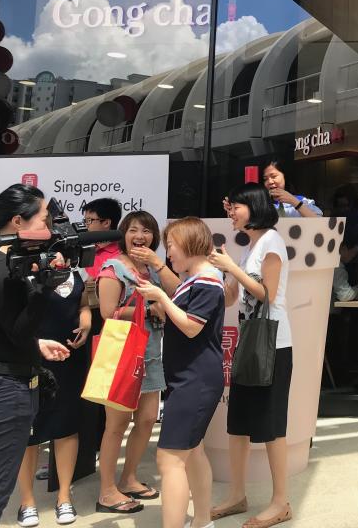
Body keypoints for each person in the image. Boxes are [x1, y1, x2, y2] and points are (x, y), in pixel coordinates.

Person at [0, 184, 71, 528]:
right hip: (0, 391)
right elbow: (19, 329)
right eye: (44, 218)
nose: (50, 225)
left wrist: (36, 345)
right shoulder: (1, 268)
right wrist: (44, 289)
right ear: (17, 221)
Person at [209, 183, 294, 527]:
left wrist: (233, 265)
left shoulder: (271, 242)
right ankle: (237, 495)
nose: (232, 213)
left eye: (237, 208)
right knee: (239, 423)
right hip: (252, 343)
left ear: (254, 207)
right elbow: (232, 299)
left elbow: (268, 295)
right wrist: (227, 269)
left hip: (273, 343)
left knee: (272, 426)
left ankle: (281, 502)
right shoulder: (252, 246)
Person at [135, 217, 229, 528]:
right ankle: (202, 522)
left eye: (171, 246)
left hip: (194, 380)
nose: (169, 254)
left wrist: (161, 297)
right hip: (192, 378)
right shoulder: (200, 280)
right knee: (192, 452)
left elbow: (191, 327)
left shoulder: (204, 282)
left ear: (189, 243)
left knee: (170, 460)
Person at [95, 211, 179, 514]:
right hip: (122, 355)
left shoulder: (154, 270)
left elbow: (179, 293)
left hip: (152, 355)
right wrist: (149, 310)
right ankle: (106, 490)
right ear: (123, 234)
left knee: (145, 420)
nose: (140, 236)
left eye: (146, 231)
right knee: (115, 425)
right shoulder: (113, 268)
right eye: (133, 230)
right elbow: (107, 312)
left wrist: (158, 270)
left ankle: (128, 478)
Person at [15, 257, 92, 526]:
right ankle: (26, 502)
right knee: (30, 431)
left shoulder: (76, 274)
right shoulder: (27, 272)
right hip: (34, 359)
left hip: (71, 359)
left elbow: (83, 305)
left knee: (66, 426)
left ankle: (64, 496)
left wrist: (86, 323)